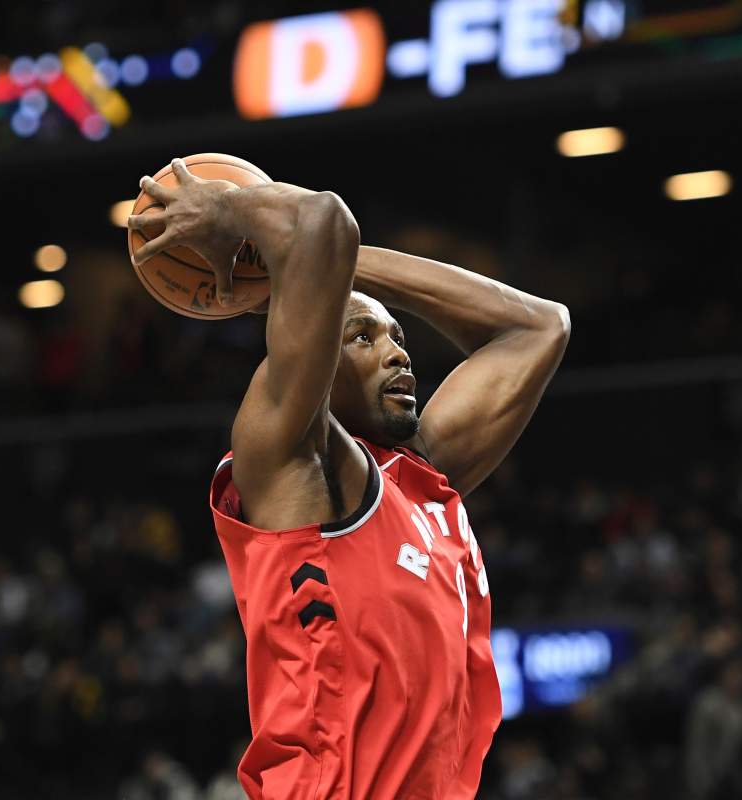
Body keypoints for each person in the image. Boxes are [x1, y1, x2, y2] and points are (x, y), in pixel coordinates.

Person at [128, 159, 570, 799]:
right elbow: (322, 220)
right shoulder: (290, 459)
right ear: (312, 357)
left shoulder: (422, 478)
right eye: (361, 335)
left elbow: (538, 326)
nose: (398, 351)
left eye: (398, 336)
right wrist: (238, 215)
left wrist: (341, 271)